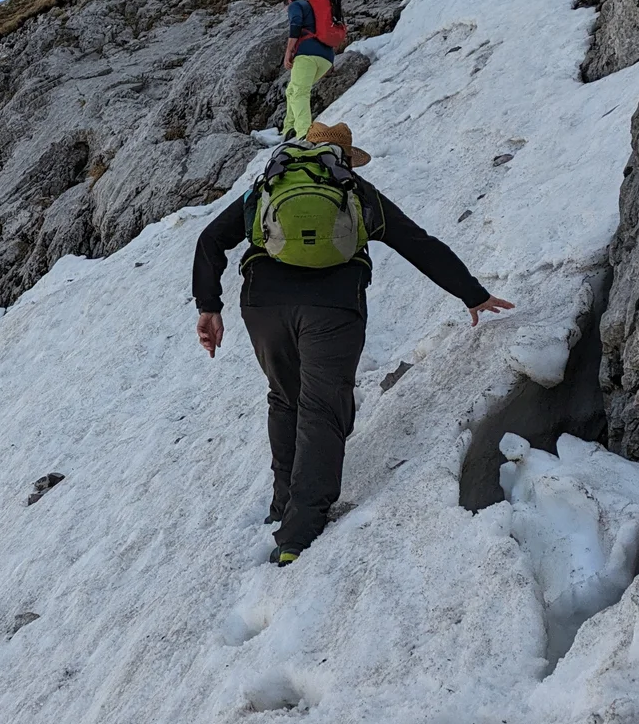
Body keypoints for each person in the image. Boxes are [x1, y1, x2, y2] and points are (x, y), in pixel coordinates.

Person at [192, 121, 513, 565]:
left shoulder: (268, 183)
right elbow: (416, 242)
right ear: (344, 158)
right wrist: (472, 294)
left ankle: (282, 505)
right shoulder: (355, 191)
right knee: (323, 407)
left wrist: (209, 305)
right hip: (333, 306)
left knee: (285, 399)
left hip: (263, 305)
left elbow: (210, 239)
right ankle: (297, 536)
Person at [282, 0, 345, 141]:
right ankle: (289, 129)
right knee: (292, 90)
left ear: (289, 1)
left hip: (307, 55)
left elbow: (296, 24)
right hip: (326, 58)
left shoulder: (296, 5)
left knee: (299, 92)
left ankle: (304, 132)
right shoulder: (313, 9)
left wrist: (288, 52)